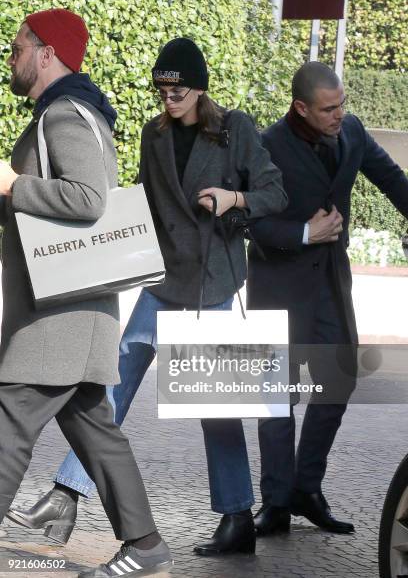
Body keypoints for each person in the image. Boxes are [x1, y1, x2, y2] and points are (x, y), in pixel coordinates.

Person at [8, 37, 288, 556]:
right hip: (163, 281)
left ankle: (236, 518)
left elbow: (275, 192)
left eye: (178, 87)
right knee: (110, 380)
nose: (169, 97)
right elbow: (141, 202)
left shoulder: (235, 130)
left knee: (216, 406)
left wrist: (235, 199)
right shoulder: (153, 135)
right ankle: (69, 493)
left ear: (198, 86)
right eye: (162, 88)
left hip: (213, 284)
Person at [0, 9, 172, 578]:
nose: (12, 55)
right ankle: (145, 546)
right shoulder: (73, 110)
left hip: (58, 320)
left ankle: (146, 548)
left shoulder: (66, 114)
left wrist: (13, 185)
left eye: (19, 46)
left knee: (7, 425)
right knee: (96, 431)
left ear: (47, 52)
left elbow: (87, 198)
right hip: (73, 313)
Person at [246, 61, 408, 536]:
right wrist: (303, 233)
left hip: (332, 288)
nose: (340, 115)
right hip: (278, 290)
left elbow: (393, 179)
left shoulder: (353, 131)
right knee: (277, 400)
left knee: (337, 386)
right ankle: (274, 503)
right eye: (328, 109)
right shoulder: (266, 145)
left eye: (342, 105)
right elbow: (249, 222)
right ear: (301, 107)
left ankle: (305, 488)